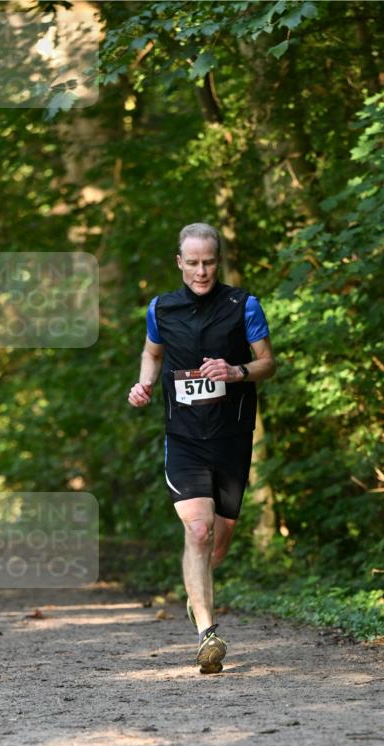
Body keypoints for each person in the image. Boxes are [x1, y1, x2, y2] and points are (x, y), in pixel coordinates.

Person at [128, 223, 276, 675]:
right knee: (197, 531)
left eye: (208, 262)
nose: (201, 271)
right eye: (192, 263)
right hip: (185, 438)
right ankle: (207, 635)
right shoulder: (161, 308)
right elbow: (153, 354)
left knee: (218, 545)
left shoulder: (243, 305)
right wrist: (144, 385)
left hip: (232, 438)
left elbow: (268, 363)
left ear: (219, 261)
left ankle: (198, 598)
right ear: (179, 262)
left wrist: (235, 371)